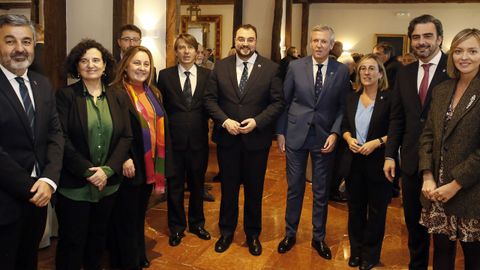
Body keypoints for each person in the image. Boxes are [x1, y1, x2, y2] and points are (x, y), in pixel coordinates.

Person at [204, 24, 284, 256]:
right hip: (228, 140)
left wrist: (258, 121)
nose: (245, 44)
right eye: (241, 39)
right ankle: (226, 231)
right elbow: (210, 100)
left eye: (250, 39)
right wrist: (224, 120)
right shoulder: (220, 66)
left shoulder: (270, 68)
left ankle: (252, 234)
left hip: (256, 141)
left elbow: (278, 102)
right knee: (228, 189)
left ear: (256, 42)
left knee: (254, 190)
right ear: (235, 40)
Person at [55, 39, 132, 269]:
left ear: (105, 65)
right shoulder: (66, 96)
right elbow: (61, 139)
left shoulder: (118, 96)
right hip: (74, 185)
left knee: (98, 238)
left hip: (108, 185)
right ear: (76, 67)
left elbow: (126, 137)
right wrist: (89, 171)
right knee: (72, 241)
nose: (90, 65)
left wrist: (107, 171)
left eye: (96, 60)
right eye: (84, 60)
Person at [276, 25, 350, 259]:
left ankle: (318, 238)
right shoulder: (295, 66)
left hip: (324, 138)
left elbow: (342, 107)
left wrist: (335, 133)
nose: (319, 45)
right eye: (315, 41)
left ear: (331, 45)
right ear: (310, 43)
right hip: (296, 135)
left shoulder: (340, 71)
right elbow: (285, 102)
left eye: (324, 42)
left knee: (321, 191)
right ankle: (290, 233)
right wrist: (280, 132)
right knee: (294, 188)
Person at [383, 14, 449, 270]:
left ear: (440, 38)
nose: (422, 42)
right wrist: (390, 155)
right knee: (414, 225)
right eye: (416, 37)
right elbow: (397, 117)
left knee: (444, 233)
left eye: (428, 36)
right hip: (410, 162)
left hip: (445, 163)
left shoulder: (454, 69)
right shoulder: (405, 72)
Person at [0, 14, 64, 270]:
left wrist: (48, 181)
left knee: (29, 260)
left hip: (39, 199)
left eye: (26, 41)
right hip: (5, 200)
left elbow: (55, 134)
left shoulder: (42, 84)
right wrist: (31, 187)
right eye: (10, 41)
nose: (19, 48)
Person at [418, 28, 480, 270]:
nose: (464, 57)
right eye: (459, 51)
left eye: (473, 51)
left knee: (474, 260)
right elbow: (427, 135)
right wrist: (427, 175)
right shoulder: (442, 89)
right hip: (437, 192)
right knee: (441, 257)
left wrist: (455, 185)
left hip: (470, 192)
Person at [107, 45, 170, 269]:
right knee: (125, 218)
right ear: (125, 66)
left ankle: (138, 254)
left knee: (138, 215)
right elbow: (113, 129)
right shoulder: (116, 92)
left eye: (146, 64)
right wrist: (123, 158)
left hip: (149, 165)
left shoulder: (153, 92)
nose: (141, 68)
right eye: (136, 63)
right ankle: (126, 261)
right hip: (129, 165)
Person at [342, 54, 396, 270]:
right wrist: (348, 138)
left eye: (372, 68)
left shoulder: (390, 98)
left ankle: (371, 255)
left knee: (376, 211)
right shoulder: (351, 97)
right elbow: (345, 125)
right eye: (363, 68)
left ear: (380, 73)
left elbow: (397, 130)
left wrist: (378, 142)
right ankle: (356, 252)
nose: (367, 72)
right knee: (355, 209)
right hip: (354, 162)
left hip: (379, 163)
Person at [157, 34, 212, 247]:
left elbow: (212, 105)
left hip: (199, 141)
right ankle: (177, 227)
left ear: (197, 50)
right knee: (176, 186)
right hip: (174, 142)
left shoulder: (208, 75)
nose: (186, 51)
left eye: (190, 47)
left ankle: (197, 224)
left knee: (198, 185)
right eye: (181, 47)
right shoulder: (165, 76)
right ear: (176, 51)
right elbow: (161, 109)